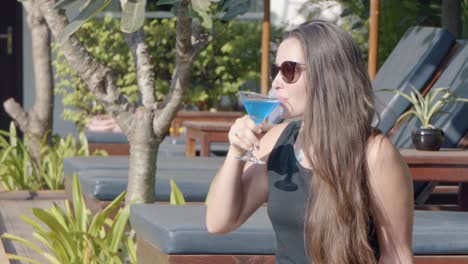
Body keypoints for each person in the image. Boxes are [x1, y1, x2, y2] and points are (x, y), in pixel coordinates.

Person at [206, 20, 414, 264]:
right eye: (276, 71)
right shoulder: (277, 141)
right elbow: (218, 223)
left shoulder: (375, 154)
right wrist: (236, 151)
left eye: (289, 70)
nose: (275, 83)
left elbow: (397, 256)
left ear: (326, 75)